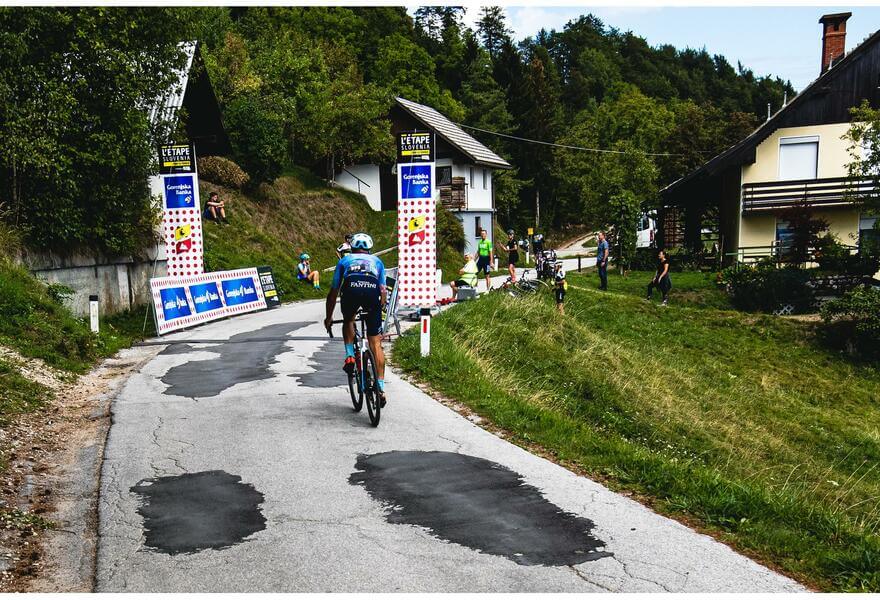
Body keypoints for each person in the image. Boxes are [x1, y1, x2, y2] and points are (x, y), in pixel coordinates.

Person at [324, 233, 388, 405]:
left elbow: (333, 293)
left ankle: (351, 356)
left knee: (349, 320)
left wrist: (328, 317)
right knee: (375, 342)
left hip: (351, 290)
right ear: (369, 248)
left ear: (351, 247)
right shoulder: (377, 262)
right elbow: (383, 291)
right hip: (372, 292)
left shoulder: (344, 261)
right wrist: (379, 307)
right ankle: (380, 388)